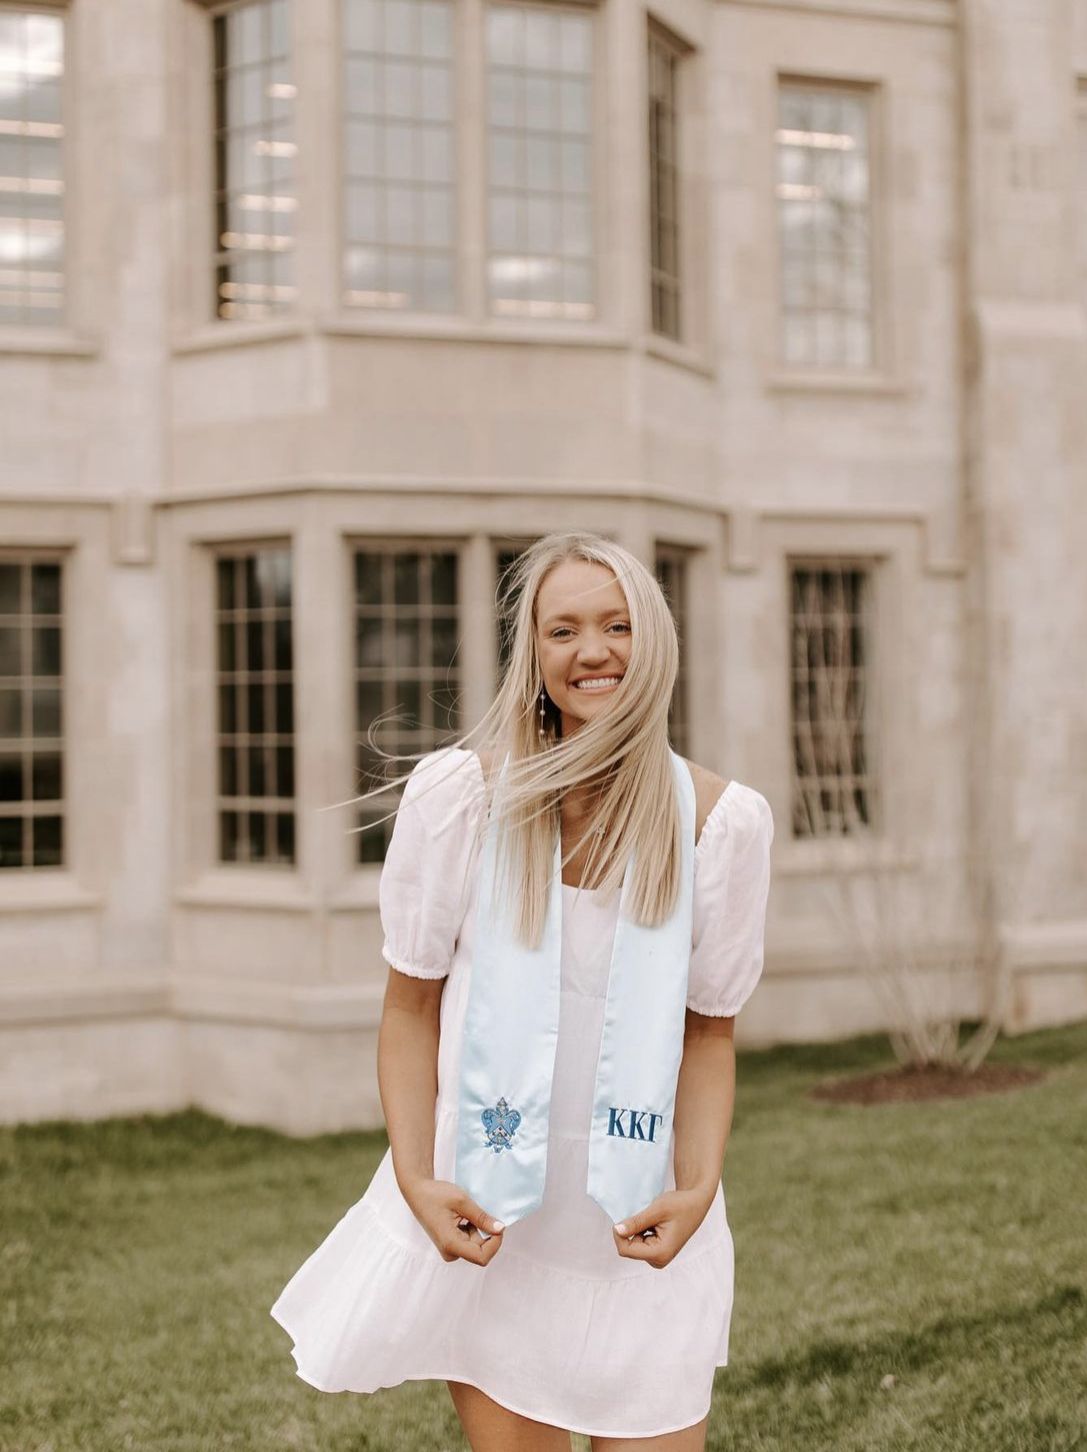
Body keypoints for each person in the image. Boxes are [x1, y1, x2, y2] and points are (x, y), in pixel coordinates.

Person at [270, 531, 775, 1450]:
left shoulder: (719, 825)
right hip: (499, 1215)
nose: (593, 651)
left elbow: (710, 1034)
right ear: (533, 654)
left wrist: (698, 1190)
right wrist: (419, 1177)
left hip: (640, 1214)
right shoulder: (463, 801)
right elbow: (409, 1007)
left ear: (653, 640)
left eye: (617, 625)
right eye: (564, 629)